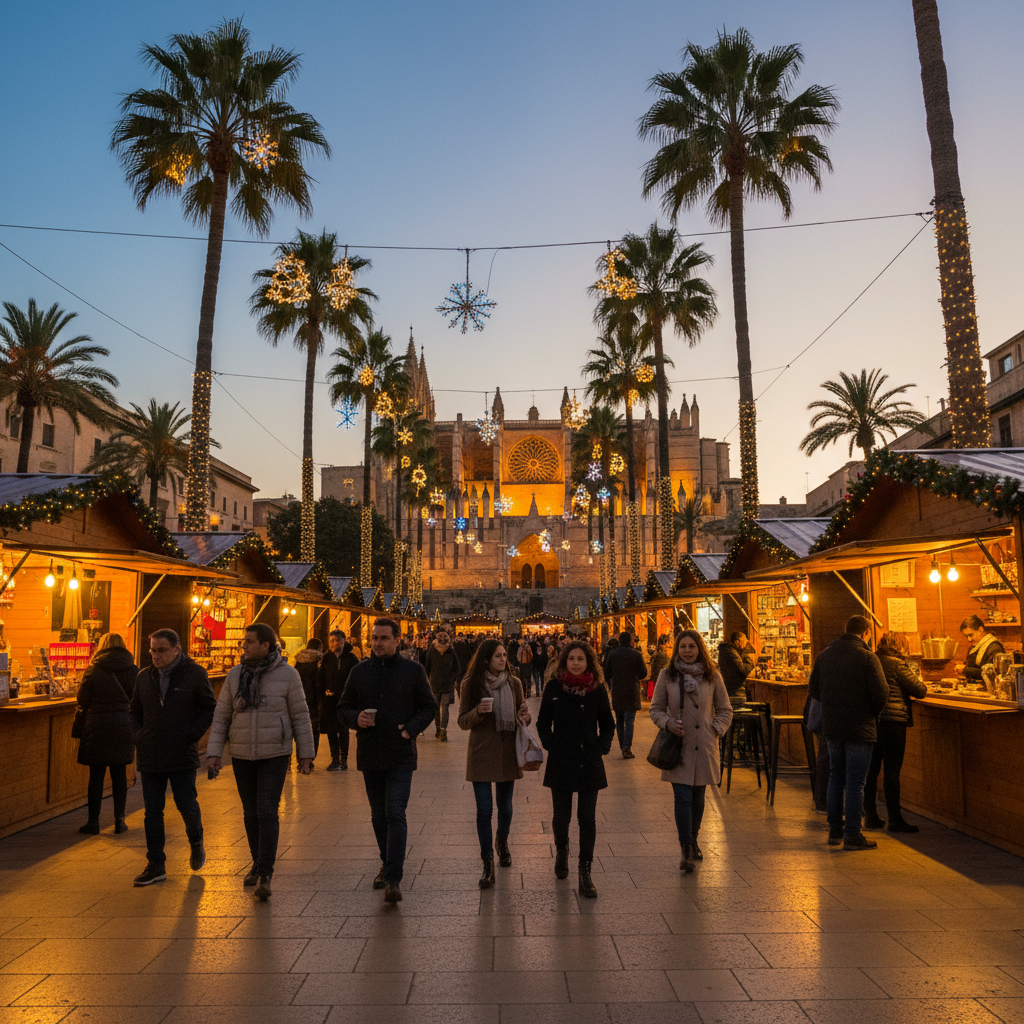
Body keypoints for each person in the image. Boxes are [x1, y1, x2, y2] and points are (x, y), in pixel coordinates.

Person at [206, 623, 315, 900]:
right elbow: (222, 716)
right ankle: (256, 862)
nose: (244, 646)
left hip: (274, 753)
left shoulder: (288, 675)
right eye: (244, 641)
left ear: (266, 645)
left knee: (267, 809)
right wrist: (214, 752)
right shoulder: (235, 675)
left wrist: (306, 754)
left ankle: (266, 872)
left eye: (249, 642)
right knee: (250, 812)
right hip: (241, 753)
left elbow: (300, 715)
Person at [337, 617, 438, 904]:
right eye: (375, 638)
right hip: (370, 754)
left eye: (383, 638)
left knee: (395, 811)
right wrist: (356, 718)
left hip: (400, 753)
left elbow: (428, 706)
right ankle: (386, 860)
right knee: (378, 816)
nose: (378, 643)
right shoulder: (359, 672)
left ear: (397, 640)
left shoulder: (413, 671)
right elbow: (343, 707)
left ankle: (393, 876)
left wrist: (410, 729)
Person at [129, 629, 216, 887]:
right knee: (152, 811)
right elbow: (134, 710)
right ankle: (156, 864)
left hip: (181, 753)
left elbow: (208, 707)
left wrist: (191, 735)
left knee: (186, 804)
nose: (156, 655)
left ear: (177, 649)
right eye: (153, 650)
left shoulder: (195, 674)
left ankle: (196, 840)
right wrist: (139, 735)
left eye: (162, 650)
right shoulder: (144, 677)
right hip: (151, 753)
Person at [536, 640, 614, 899]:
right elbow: (543, 721)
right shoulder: (554, 687)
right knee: (561, 815)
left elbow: (608, 723)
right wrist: (551, 745)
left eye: (581, 659)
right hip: (562, 758)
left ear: (588, 662)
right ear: (564, 661)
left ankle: (585, 869)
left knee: (587, 817)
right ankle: (561, 850)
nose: (576, 663)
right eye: (572, 659)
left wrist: (601, 747)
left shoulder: (597, 688)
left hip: (589, 759)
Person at [650, 630, 733, 872]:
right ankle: (686, 847)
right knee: (683, 797)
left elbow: (725, 709)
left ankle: (694, 840)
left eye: (692, 646)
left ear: (700, 649)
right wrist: (667, 722)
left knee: (698, 799)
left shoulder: (712, 675)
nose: (687, 650)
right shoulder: (667, 675)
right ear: (677, 648)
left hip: (704, 745)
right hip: (680, 746)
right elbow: (655, 708)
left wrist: (715, 729)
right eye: (683, 646)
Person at [808, 615, 889, 851]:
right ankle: (853, 834)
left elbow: (814, 689)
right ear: (866, 633)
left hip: (832, 726)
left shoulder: (824, 656)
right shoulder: (867, 658)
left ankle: (835, 830)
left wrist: (832, 706)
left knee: (836, 776)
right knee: (855, 782)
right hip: (860, 727)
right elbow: (881, 693)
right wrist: (870, 711)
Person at [457, 638, 531, 887]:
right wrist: (478, 712)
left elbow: (523, 714)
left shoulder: (515, 683)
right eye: (498, 656)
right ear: (486, 659)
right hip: (481, 752)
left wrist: (525, 716)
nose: (503, 660)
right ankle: (487, 862)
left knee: (506, 807)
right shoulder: (471, 684)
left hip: (507, 752)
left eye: (504, 656)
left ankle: (502, 840)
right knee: (484, 810)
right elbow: (462, 721)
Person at [863, 632, 928, 833]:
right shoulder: (898, 664)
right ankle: (895, 819)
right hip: (893, 722)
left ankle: (871, 815)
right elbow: (920, 690)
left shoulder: (870, 660)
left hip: (873, 721)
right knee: (892, 772)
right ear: (899, 646)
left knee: (871, 771)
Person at [75, 633, 137, 835]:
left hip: (97, 726)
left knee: (96, 776)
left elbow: (82, 698)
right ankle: (120, 820)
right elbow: (138, 700)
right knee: (119, 775)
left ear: (102, 646)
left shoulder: (94, 668)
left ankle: (93, 822)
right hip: (123, 725)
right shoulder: (133, 670)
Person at [319, 630, 358, 771]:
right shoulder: (326, 658)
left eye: (335, 640)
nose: (333, 643)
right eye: (331, 641)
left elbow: (355, 679)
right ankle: (334, 758)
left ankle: (344, 759)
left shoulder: (351, 659)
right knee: (331, 730)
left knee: (343, 729)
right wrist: (323, 692)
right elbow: (321, 678)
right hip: (329, 700)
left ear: (343, 641)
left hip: (345, 700)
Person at [604, 631, 646, 759]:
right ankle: (626, 748)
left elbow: (606, 672)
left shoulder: (613, 654)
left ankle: (623, 746)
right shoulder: (636, 655)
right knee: (630, 721)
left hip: (618, 691)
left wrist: (612, 682)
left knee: (620, 720)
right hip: (631, 692)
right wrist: (635, 676)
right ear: (630, 640)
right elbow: (643, 673)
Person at [423, 630, 460, 741]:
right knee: (445, 707)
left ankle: (438, 729)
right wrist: (453, 679)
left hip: (435, 683)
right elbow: (457, 667)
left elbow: (427, 667)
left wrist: (427, 681)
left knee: (436, 708)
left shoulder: (432, 650)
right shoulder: (451, 651)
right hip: (447, 683)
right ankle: (443, 729)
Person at [294, 637, 323, 764]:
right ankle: (310, 757)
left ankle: (300, 757)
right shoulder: (319, 661)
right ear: (319, 648)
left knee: (300, 729)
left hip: (299, 699)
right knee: (313, 731)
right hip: (314, 701)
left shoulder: (299, 661)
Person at [955, 615, 1005, 685]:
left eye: (971, 635)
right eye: (966, 636)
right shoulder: (973, 647)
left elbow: (992, 673)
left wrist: (965, 670)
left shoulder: (994, 647)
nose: (969, 639)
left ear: (980, 630)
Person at [717, 631, 756, 706]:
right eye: (744, 640)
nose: (746, 643)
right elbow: (743, 670)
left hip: (732, 691)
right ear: (737, 641)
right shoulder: (730, 652)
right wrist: (749, 660)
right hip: (735, 692)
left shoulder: (729, 651)